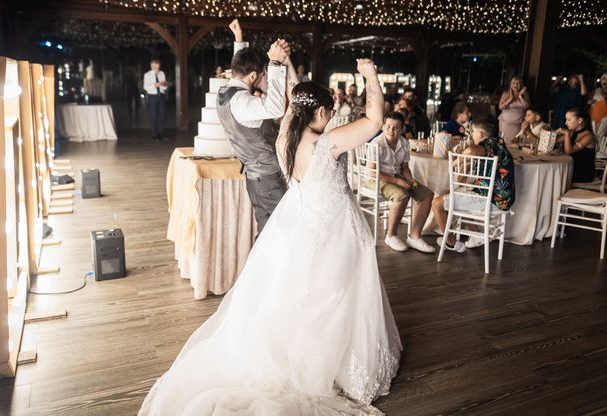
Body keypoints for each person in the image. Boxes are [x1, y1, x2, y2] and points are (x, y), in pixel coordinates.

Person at [139, 58, 402, 415]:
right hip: (333, 225)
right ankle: (328, 364)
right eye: (327, 112)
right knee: (336, 292)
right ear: (321, 112)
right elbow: (373, 120)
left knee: (296, 291)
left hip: (299, 221)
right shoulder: (328, 144)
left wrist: (290, 67)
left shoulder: (285, 136)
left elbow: (298, 101)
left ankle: (299, 352)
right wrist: (371, 75)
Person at [215, 19, 290, 234]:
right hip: (266, 178)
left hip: (255, 176)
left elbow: (240, 67)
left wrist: (240, 40)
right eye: (263, 73)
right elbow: (276, 109)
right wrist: (275, 65)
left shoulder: (225, 93)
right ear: (254, 76)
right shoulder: (243, 103)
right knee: (277, 232)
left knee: (268, 229)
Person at [432, 119, 515, 251]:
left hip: (492, 200)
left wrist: (457, 161)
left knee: (437, 203)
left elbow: (471, 151)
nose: (472, 135)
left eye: (474, 132)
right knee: (456, 196)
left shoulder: (488, 144)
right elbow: (466, 171)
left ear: (481, 134)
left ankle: (451, 242)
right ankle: (478, 235)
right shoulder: (498, 144)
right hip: (500, 199)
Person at [370, 111, 435, 253]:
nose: (391, 131)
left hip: (397, 176)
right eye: (388, 126)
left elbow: (405, 168)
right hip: (377, 179)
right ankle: (390, 235)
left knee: (427, 195)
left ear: (402, 129)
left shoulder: (404, 143)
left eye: (395, 128)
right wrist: (399, 182)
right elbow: (372, 172)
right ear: (383, 126)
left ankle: (414, 236)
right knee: (402, 195)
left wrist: (410, 179)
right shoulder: (377, 144)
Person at [556, 107, 596, 183]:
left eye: (569, 120)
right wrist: (552, 133)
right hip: (572, 169)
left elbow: (568, 151)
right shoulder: (572, 133)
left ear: (580, 120)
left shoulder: (588, 137)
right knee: (554, 174)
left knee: (555, 176)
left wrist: (567, 133)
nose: (566, 123)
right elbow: (555, 141)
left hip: (583, 173)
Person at [498, 76, 530, 141]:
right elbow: (500, 107)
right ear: (511, 84)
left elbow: (526, 106)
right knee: (503, 142)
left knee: (515, 142)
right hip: (505, 123)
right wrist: (511, 99)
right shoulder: (505, 94)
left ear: (521, 85)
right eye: (514, 82)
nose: (516, 85)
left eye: (518, 83)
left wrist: (520, 96)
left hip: (518, 123)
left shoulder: (525, 94)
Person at [143, 59, 167, 141]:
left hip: (161, 96)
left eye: (158, 68)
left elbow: (165, 86)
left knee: (162, 116)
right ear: (151, 66)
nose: (157, 70)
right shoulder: (147, 75)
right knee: (153, 116)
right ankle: (154, 135)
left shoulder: (162, 73)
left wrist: (163, 85)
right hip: (152, 97)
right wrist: (155, 85)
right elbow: (145, 87)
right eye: (155, 68)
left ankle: (161, 134)